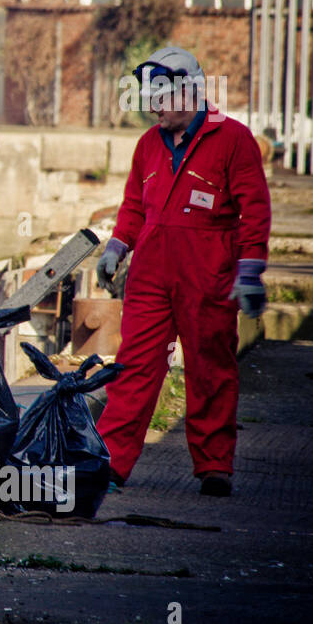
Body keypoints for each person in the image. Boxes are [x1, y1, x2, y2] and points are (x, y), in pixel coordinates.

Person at [95, 46, 271, 496]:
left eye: (161, 100)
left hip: (207, 274)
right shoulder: (148, 145)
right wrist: (117, 245)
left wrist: (250, 271)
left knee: (210, 366)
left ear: (190, 92)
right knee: (133, 366)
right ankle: (111, 463)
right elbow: (134, 205)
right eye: (149, 100)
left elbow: (255, 210)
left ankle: (214, 465)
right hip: (151, 275)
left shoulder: (232, 140)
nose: (153, 109)